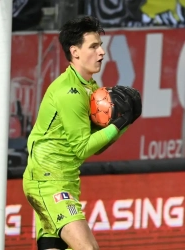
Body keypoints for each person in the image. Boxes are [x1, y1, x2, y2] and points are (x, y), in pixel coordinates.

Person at [22, 16, 142, 250]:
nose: (102, 53)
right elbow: (82, 148)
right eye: (94, 46)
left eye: (101, 45)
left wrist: (124, 123)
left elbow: (97, 147)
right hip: (48, 182)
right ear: (75, 52)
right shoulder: (70, 92)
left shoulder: (92, 89)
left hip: (64, 181)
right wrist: (118, 125)